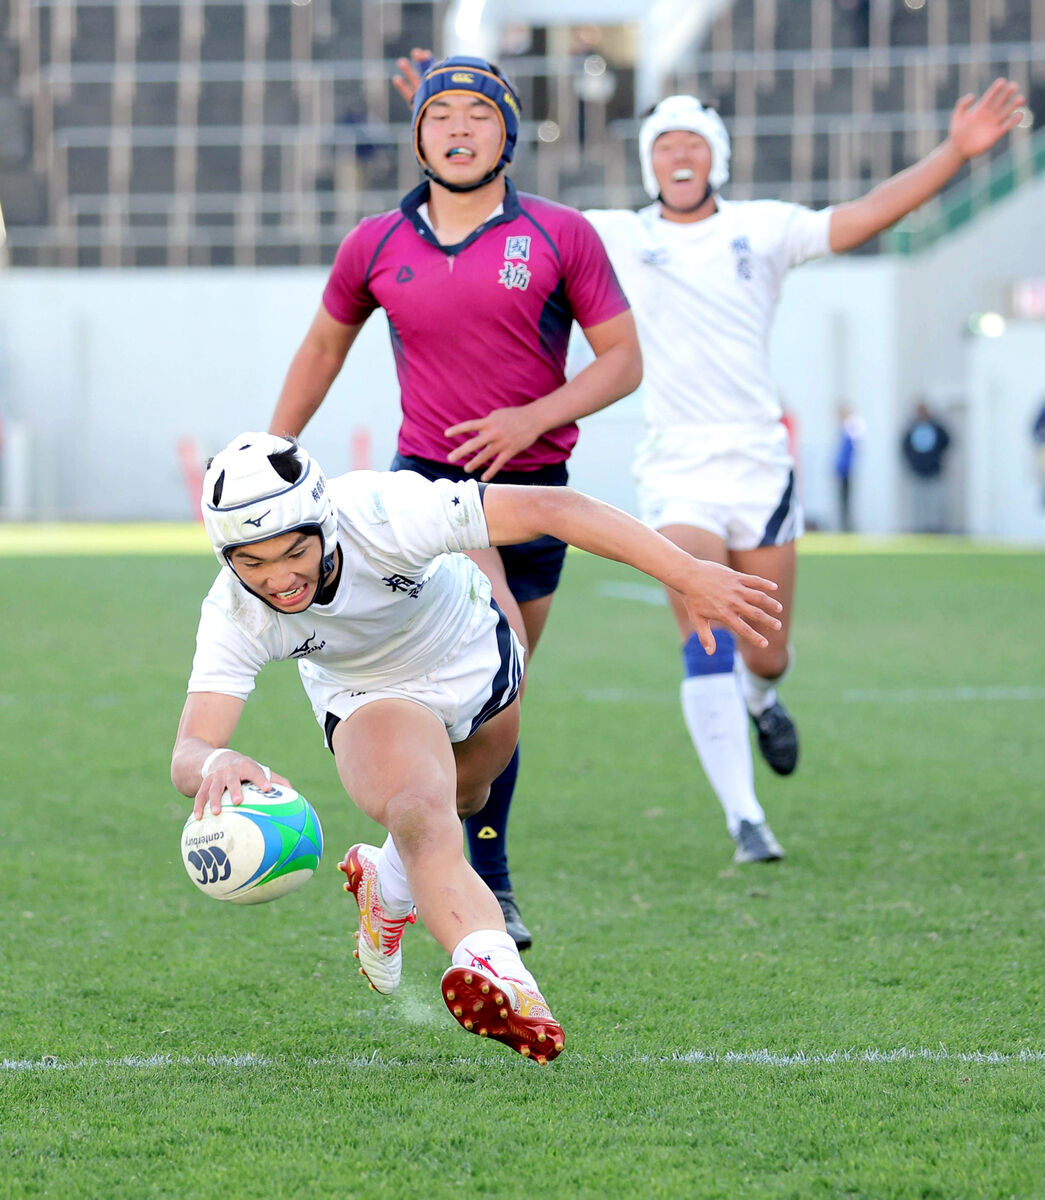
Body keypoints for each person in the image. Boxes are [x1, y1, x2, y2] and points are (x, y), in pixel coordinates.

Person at [170, 432, 782, 1063]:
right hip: (367, 692)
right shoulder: (235, 611)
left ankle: (386, 880)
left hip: (471, 647)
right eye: (253, 562)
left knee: (469, 792)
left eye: (294, 551)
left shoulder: (383, 512)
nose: (278, 578)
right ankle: (503, 976)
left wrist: (688, 574)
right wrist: (217, 760)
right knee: (420, 813)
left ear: (324, 521)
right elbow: (190, 746)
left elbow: (557, 510)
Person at [571, 81, 1023, 863]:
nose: (679, 153)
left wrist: (953, 151)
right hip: (677, 468)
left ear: (717, 156)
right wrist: (442, 130)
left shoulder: (763, 228)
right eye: (664, 144)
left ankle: (762, 697)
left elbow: (865, 215)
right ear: (648, 165)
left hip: (759, 466)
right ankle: (745, 819)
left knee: (767, 649)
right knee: (703, 623)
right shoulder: (615, 235)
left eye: (692, 142)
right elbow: (506, 216)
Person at [270, 55, 642, 950]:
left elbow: (622, 361)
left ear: (508, 134)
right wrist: (271, 457)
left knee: (490, 714)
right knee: (499, 639)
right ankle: (491, 888)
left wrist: (531, 419)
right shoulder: (375, 242)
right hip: (428, 498)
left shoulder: (560, 235)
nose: (460, 129)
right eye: (442, 116)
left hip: (538, 497)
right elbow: (322, 349)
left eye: (479, 114)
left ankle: (405, 865)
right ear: (417, 135)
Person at [900, 399, 953, 532]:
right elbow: (905, 447)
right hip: (918, 471)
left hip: (934, 471)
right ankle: (920, 529)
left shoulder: (936, 427)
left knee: (935, 502)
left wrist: (937, 459)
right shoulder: (912, 428)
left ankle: (935, 529)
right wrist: (912, 463)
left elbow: (947, 441)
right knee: (919, 503)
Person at [833, 404, 864, 533]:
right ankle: (844, 525)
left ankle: (847, 526)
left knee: (846, 500)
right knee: (842, 500)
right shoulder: (845, 430)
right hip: (842, 470)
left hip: (847, 470)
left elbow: (850, 452)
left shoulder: (851, 429)